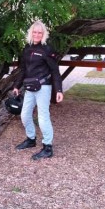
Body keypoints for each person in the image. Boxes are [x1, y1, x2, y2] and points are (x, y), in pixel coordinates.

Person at [13, 20, 64, 160]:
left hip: (44, 87)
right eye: (34, 32)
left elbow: (55, 71)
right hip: (30, 87)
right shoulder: (27, 49)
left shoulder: (47, 49)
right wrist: (17, 86)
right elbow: (23, 69)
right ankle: (31, 139)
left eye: (39, 32)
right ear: (31, 33)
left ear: (43, 34)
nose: (37, 35)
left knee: (43, 117)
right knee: (24, 115)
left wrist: (59, 90)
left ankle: (48, 147)